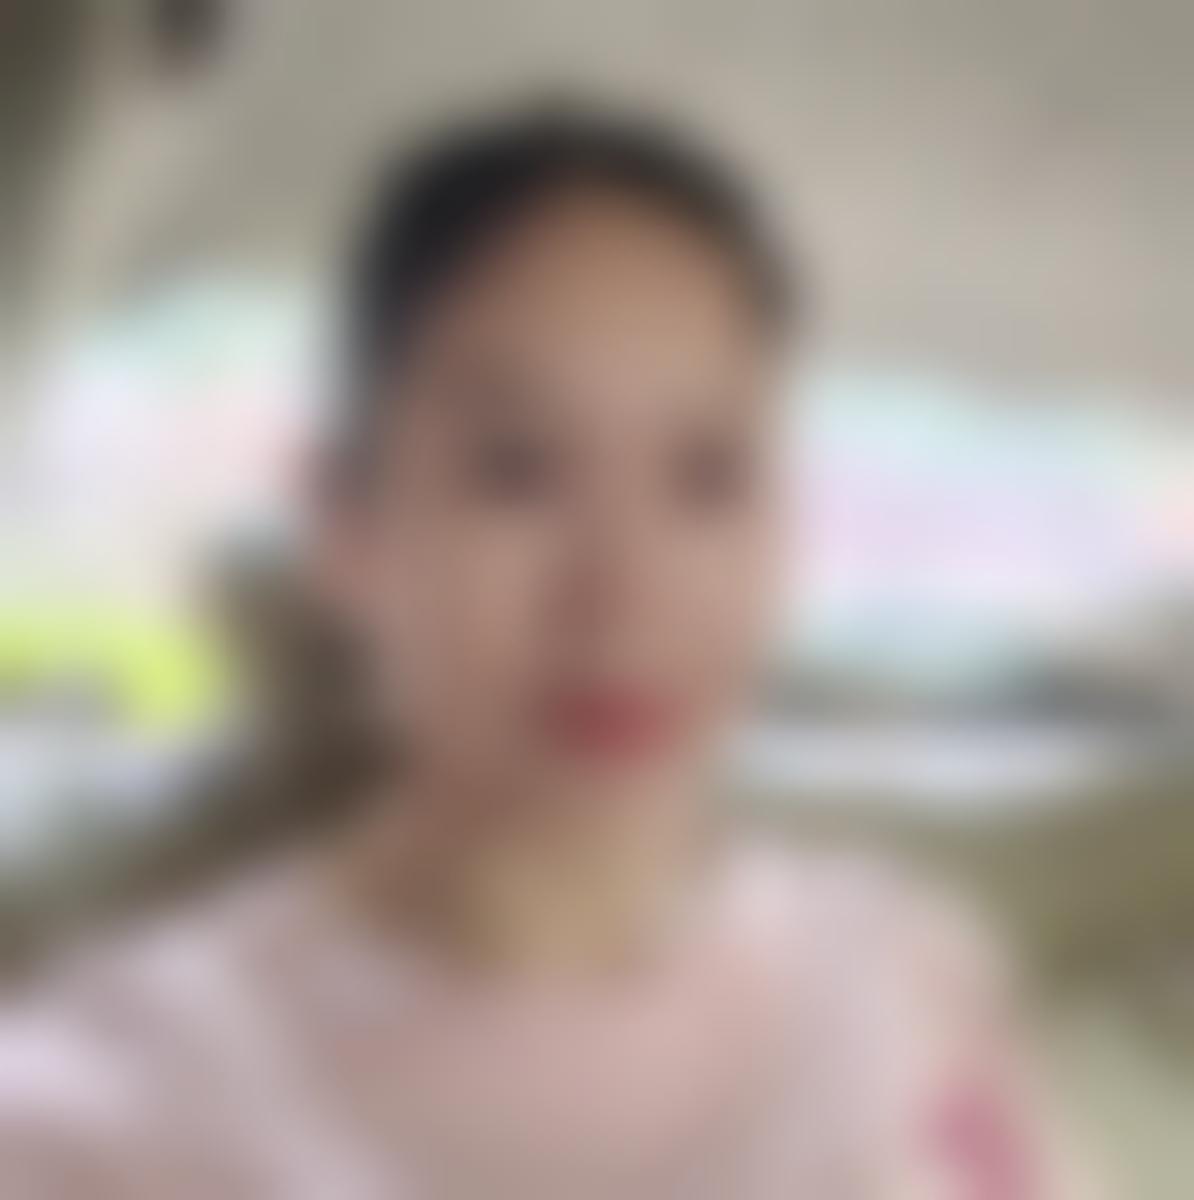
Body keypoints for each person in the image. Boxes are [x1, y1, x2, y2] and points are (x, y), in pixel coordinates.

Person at [0, 107, 1097, 1199]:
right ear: (346, 520)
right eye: (517, 470)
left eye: (707, 477)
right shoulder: (111, 1099)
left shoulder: (902, 987)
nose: (624, 590)